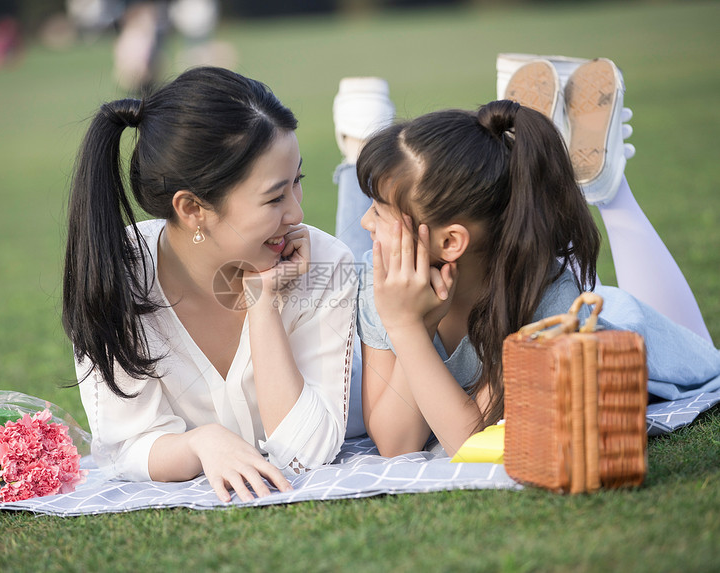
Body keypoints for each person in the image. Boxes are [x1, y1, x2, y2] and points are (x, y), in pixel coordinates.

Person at [335, 57, 720, 457]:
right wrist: (407, 323)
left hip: (622, 339)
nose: (365, 221)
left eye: (379, 210)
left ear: (450, 243)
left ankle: (610, 189)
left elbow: (468, 442)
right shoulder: (383, 278)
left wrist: (407, 329)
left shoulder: (537, 300)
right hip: (556, 292)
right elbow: (396, 444)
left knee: (702, 357)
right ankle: (543, 163)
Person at [62, 67, 357, 502]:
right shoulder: (113, 274)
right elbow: (125, 445)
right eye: (275, 197)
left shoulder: (326, 263)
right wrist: (203, 443)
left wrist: (263, 305)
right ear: (192, 208)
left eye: (298, 182)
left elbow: (307, 454)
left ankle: (359, 156)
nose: (296, 214)